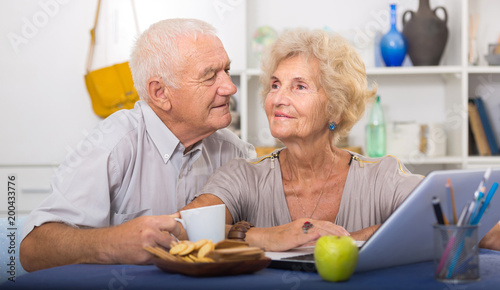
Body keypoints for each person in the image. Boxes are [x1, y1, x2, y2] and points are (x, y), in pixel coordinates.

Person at [19, 18, 255, 271]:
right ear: (160, 93)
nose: (230, 88)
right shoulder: (113, 143)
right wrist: (111, 242)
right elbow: (32, 250)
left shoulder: (235, 150)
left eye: (227, 71)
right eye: (209, 77)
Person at [179, 28, 424, 251]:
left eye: (299, 87)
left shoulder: (382, 176)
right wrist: (267, 237)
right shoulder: (243, 176)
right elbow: (182, 228)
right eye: (275, 85)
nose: (278, 99)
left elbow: (443, 219)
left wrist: (343, 241)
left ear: (336, 109)